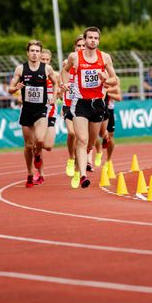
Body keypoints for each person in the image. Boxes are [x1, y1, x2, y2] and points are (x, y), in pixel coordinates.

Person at [61, 26, 116, 189]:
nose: (93, 40)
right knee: (82, 140)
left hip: (98, 103)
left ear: (98, 41)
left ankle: (79, 166)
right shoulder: (74, 57)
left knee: (91, 143)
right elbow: (65, 70)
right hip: (80, 104)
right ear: (84, 40)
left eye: (96, 38)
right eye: (90, 37)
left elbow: (115, 79)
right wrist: (65, 84)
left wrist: (106, 79)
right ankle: (82, 174)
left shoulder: (105, 58)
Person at [8, 40, 57, 188]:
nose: (35, 54)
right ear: (28, 53)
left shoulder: (47, 69)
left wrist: (54, 97)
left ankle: (38, 155)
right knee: (29, 145)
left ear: (40, 53)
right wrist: (15, 88)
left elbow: (55, 83)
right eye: (32, 51)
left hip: (41, 109)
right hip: (27, 110)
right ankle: (30, 173)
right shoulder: (20, 69)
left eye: (37, 51)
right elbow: (10, 89)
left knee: (40, 140)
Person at [60, 34, 85, 187]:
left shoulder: (90, 63)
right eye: (79, 46)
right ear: (74, 48)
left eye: (83, 45)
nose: (81, 48)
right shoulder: (68, 61)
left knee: (83, 141)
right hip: (69, 102)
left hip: (83, 103)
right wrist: (64, 84)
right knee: (72, 133)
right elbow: (63, 73)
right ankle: (70, 158)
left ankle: (77, 172)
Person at [33, 49, 59, 185]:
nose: (44, 62)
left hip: (50, 115)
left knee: (48, 145)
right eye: (42, 59)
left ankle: (37, 151)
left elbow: (60, 91)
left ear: (50, 61)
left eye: (47, 60)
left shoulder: (55, 76)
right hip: (36, 115)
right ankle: (40, 172)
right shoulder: (31, 75)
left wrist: (59, 94)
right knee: (37, 141)